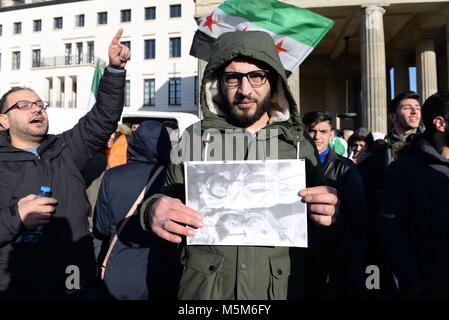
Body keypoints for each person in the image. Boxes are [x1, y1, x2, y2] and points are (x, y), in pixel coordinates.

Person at [139, 31, 338, 300]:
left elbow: (318, 216)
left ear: (274, 80)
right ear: (217, 83)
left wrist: (331, 211)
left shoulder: (297, 144)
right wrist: (152, 208)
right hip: (205, 293)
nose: (245, 90)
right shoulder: (194, 138)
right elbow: (165, 196)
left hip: (275, 291)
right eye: (233, 78)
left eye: (256, 76)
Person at [0, 28, 129, 300]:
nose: (37, 109)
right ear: (3, 121)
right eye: (23, 105)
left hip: (74, 281)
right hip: (18, 288)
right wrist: (16, 216)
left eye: (39, 104)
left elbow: (103, 117)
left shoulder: (65, 149)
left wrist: (115, 71)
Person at [94, 120, 181, 300]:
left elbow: (101, 227)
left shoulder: (112, 176)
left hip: (120, 273)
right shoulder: (174, 180)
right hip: (164, 272)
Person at [377, 91, 449, 299]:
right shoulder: (405, 170)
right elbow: (391, 231)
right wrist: (415, 283)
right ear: (440, 123)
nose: (413, 112)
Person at [302, 111, 366, 299]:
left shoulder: (346, 167)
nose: (317, 136)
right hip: (301, 252)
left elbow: (357, 213)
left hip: (333, 249)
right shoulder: (294, 164)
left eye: (323, 131)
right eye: (312, 131)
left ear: (332, 135)